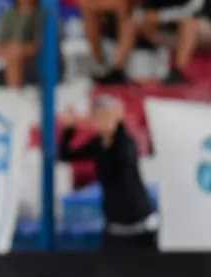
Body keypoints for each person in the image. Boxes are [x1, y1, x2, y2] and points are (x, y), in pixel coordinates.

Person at [58, 96, 158, 250]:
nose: (104, 121)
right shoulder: (97, 143)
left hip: (140, 226)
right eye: (99, 117)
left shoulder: (126, 143)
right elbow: (65, 155)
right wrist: (69, 129)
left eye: (108, 116)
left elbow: (119, 161)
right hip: (115, 224)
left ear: (118, 117)